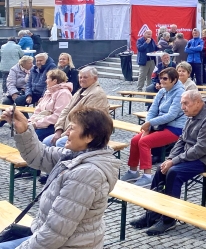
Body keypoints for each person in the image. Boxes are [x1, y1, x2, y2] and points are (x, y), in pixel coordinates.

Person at [0, 106, 120, 248]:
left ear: (89, 136)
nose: (66, 133)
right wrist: (24, 129)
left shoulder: (86, 175)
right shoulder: (75, 155)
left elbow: (54, 233)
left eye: (72, 129)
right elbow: (40, 156)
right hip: (49, 236)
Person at [129, 90, 206, 235]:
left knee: (174, 172)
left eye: (185, 103)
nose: (182, 107)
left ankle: (169, 219)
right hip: (194, 153)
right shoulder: (192, 113)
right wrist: (170, 159)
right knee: (160, 169)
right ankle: (153, 213)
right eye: (182, 103)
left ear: (197, 102)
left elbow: (202, 148)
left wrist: (175, 161)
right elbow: (182, 140)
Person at [121, 67, 186, 187]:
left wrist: (150, 124)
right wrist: (148, 126)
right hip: (159, 125)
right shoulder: (162, 92)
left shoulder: (180, 93)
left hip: (175, 128)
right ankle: (133, 171)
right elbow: (152, 111)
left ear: (174, 80)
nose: (162, 81)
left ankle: (147, 175)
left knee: (144, 142)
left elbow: (172, 115)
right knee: (135, 140)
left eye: (165, 78)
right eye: (161, 78)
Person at [43, 67, 109, 152]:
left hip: (86, 134)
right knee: (46, 142)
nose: (82, 80)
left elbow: (85, 120)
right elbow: (65, 111)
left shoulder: (97, 94)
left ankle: (66, 164)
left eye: (85, 77)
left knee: (60, 143)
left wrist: (67, 133)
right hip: (70, 129)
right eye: (80, 77)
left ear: (95, 78)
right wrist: (59, 130)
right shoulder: (80, 91)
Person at [27, 69, 73, 141]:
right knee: (23, 133)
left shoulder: (64, 93)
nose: (45, 81)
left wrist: (37, 124)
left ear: (54, 81)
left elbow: (58, 116)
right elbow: (38, 110)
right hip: (42, 122)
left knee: (32, 137)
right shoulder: (49, 92)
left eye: (48, 78)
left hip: (54, 126)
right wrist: (31, 121)